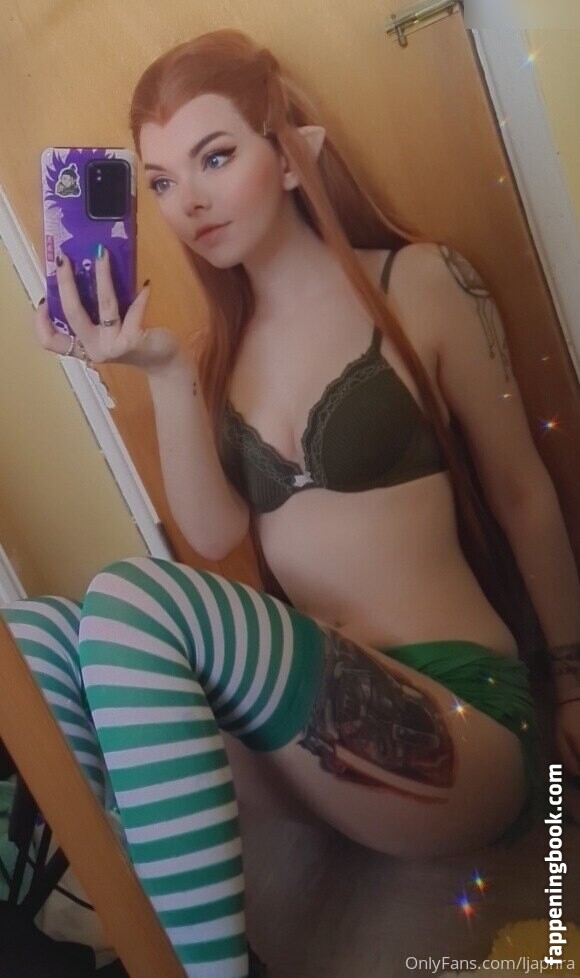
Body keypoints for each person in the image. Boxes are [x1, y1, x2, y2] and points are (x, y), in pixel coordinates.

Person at [2, 26, 579, 978]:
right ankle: (78, 928)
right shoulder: (214, 357)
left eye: (214, 157)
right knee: (33, 639)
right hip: (311, 748)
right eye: (159, 182)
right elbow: (219, 534)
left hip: (460, 724)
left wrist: (572, 679)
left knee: (130, 597)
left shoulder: (419, 282)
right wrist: (162, 374)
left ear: (290, 149)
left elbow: (524, 492)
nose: (187, 202)